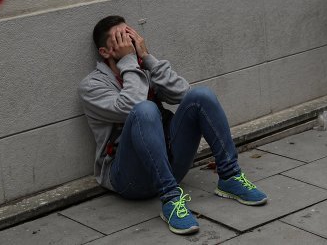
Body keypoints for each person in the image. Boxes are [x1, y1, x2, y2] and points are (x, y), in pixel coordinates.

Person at [78, 15, 267, 235]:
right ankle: (171, 201)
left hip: (169, 166)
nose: (128, 43)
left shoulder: (143, 68)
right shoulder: (91, 86)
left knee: (201, 95)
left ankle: (230, 177)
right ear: (105, 52)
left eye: (130, 35)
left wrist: (147, 58)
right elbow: (132, 106)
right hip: (129, 179)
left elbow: (183, 93)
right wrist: (129, 62)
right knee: (145, 109)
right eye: (120, 39)